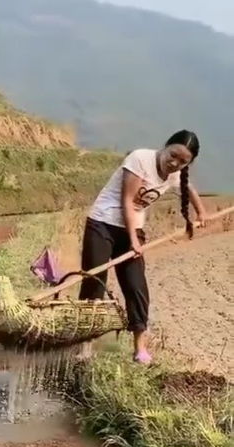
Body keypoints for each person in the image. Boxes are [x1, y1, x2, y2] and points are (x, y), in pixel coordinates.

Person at [79, 130, 207, 363]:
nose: (174, 163)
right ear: (165, 146)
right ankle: (84, 347)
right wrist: (134, 241)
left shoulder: (175, 174)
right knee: (94, 282)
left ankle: (140, 349)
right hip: (102, 224)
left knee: (137, 288)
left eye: (182, 161)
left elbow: (189, 190)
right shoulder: (140, 159)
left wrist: (201, 213)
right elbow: (127, 201)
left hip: (132, 230)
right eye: (173, 155)